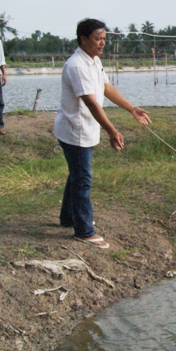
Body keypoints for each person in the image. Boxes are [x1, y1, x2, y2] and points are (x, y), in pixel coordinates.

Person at [55, 18, 151, 249]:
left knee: (77, 174)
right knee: (82, 179)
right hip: (75, 129)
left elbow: (106, 88)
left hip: (84, 128)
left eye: (104, 39)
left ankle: (69, 217)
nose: (102, 43)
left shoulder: (93, 61)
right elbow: (91, 103)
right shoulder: (77, 65)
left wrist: (132, 108)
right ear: (83, 39)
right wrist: (112, 130)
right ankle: (83, 230)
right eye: (98, 39)